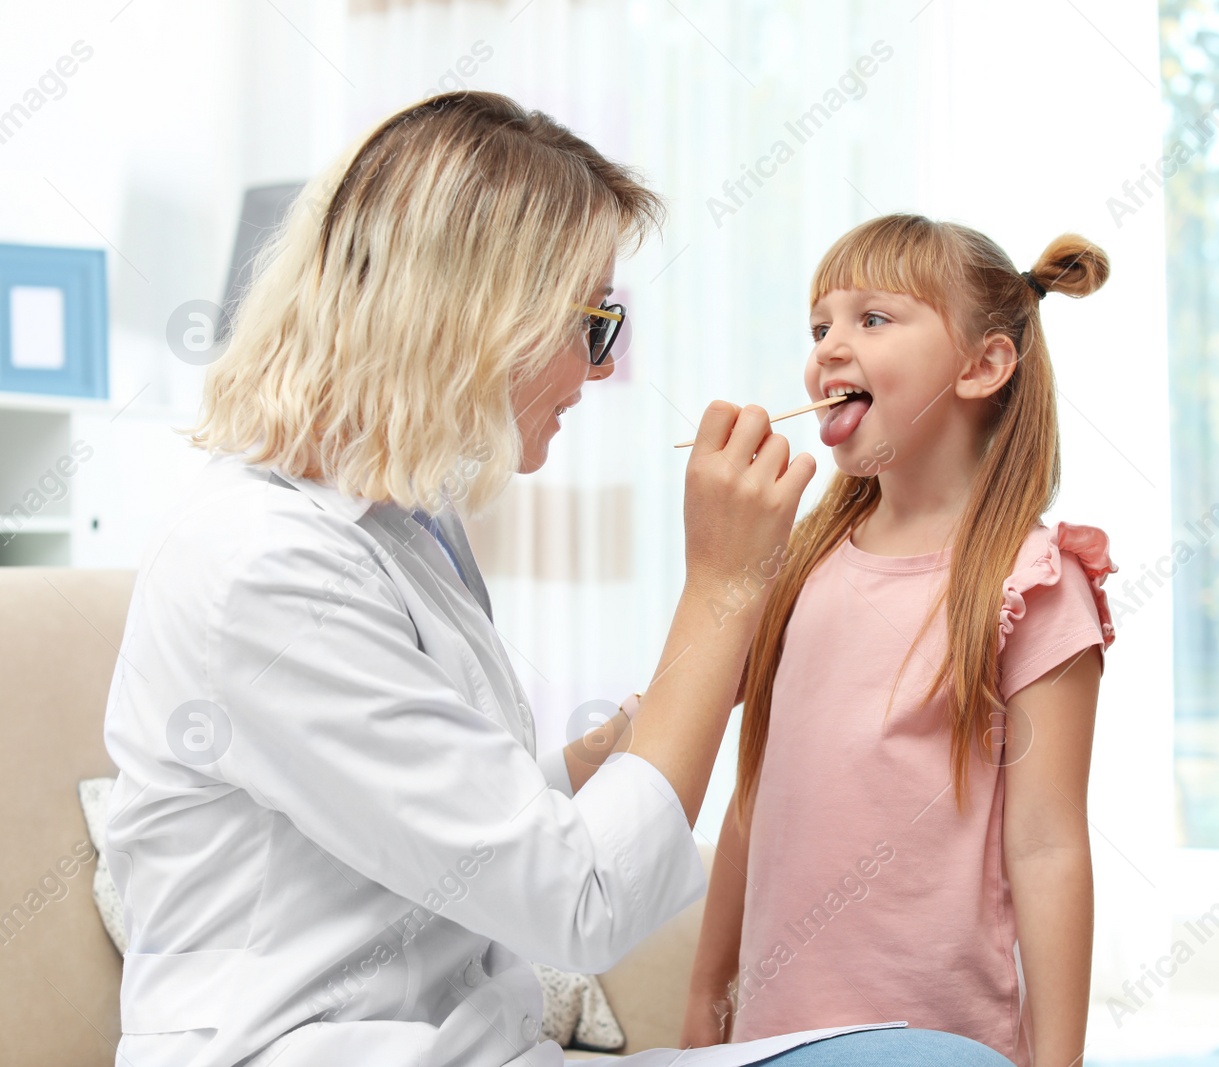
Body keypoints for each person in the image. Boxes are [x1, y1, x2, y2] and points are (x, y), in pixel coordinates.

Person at [102, 93, 1012, 1067]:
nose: (597, 368)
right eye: (591, 320)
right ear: (475, 314)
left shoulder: (405, 528)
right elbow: (576, 903)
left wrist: (586, 764)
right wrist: (721, 589)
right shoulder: (266, 571)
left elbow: (435, 828)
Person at [680, 215, 1117, 1066]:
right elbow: (754, 796)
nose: (829, 349)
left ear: (984, 365)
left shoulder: (1031, 583)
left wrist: (1059, 1061)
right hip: (772, 1037)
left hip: (938, 1042)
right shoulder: (794, 567)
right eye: (820, 326)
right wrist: (707, 991)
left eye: (871, 319)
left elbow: (1049, 843)